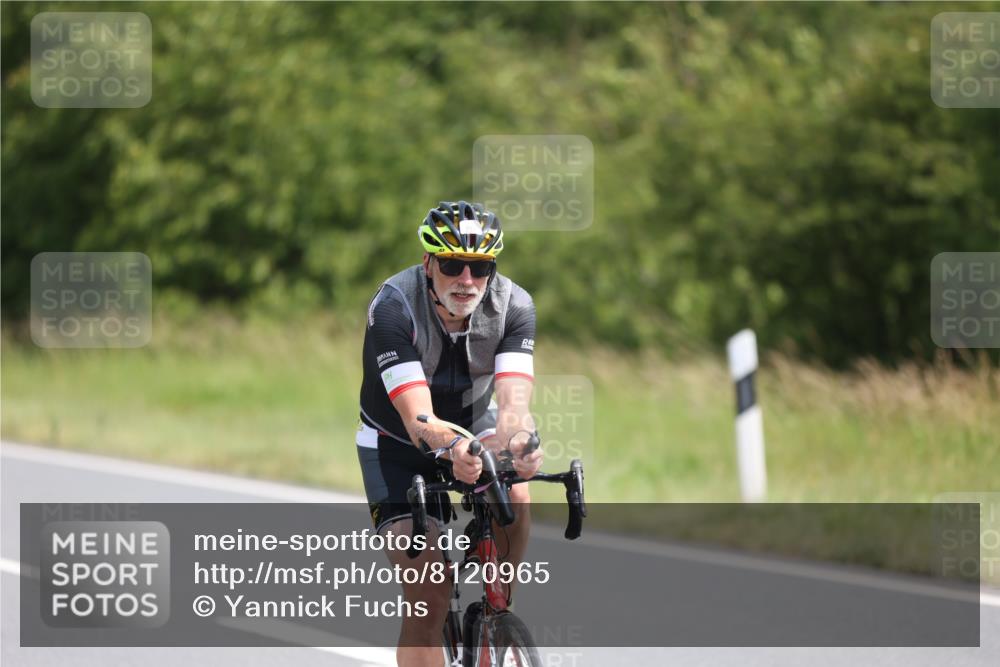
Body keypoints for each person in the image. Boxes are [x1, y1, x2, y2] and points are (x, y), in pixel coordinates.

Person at [356, 201, 543, 667]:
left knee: (517, 492)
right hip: (396, 444)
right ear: (428, 263)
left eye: (480, 267)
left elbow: (514, 407)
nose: (466, 279)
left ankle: (498, 609)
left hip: (473, 422)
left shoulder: (515, 305)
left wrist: (520, 443)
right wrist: (456, 448)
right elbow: (418, 419)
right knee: (430, 593)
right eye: (452, 264)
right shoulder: (394, 307)